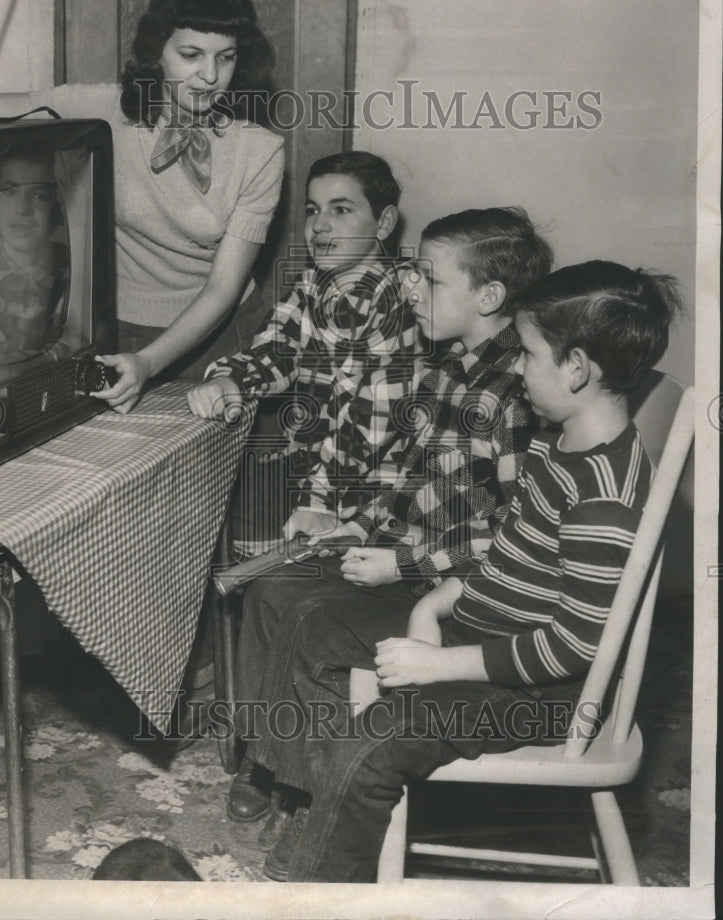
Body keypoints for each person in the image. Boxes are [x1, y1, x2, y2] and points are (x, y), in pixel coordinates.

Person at [246, 260, 683, 882]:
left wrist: (439, 665)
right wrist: (431, 606)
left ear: (578, 368)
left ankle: (321, 884)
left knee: (368, 743)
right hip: (482, 635)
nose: (519, 368)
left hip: (545, 695)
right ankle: (315, 806)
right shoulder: (556, 442)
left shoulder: (605, 498)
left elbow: (574, 645)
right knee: (312, 620)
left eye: (530, 355)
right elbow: (506, 557)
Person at [225, 207, 553, 836]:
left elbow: (514, 537)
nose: (411, 291)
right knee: (269, 590)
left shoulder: (513, 395)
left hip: (455, 589)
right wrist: (358, 523)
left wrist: (400, 564)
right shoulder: (449, 369)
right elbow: (409, 481)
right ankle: (274, 760)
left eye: (430, 281)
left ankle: (313, 787)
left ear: (489, 296)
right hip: (407, 554)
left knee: (307, 621)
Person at [0, 0, 285, 403]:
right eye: (191, 54)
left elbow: (224, 287)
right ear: (156, 52)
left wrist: (148, 362)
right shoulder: (102, 109)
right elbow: (4, 104)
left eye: (226, 57)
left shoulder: (261, 152)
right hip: (115, 327)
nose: (210, 75)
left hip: (218, 337)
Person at [187, 151, 424, 556]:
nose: (319, 225)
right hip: (321, 483)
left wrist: (318, 499)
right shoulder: (312, 284)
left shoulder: (402, 300)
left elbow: (368, 425)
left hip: (385, 501)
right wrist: (232, 380)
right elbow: (277, 351)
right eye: (313, 209)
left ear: (383, 223)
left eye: (342, 209)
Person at [0, 147, 70, 385]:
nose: (22, 209)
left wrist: (20, 369)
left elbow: (70, 343)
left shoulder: (67, 272)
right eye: (10, 191)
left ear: (57, 211)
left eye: (39, 195)